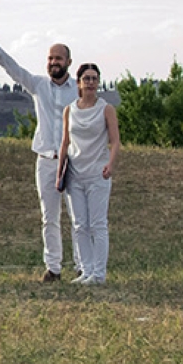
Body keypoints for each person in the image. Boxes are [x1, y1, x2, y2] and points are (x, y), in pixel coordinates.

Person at [0, 18, 77, 281]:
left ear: (68, 62)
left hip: (74, 161)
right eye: (50, 58)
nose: (54, 62)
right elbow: (13, 69)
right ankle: (53, 268)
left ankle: (83, 266)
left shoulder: (79, 89)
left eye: (59, 58)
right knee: (49, 217)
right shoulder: (38, 85)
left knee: (79, 217)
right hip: (45, 160)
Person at [59, 63, 118, 284]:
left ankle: (99, 273)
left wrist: (110, 164)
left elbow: (115, 141)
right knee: (79, 224)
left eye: (94, 79)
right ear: (79, 83)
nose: (91, 83)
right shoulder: (70, 110)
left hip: (97, 173)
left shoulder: (106, 109)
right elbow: (65, 142)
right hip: (75, 173)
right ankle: (86, 270)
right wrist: (60, 172)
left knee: (97, 224)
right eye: (87, 79)